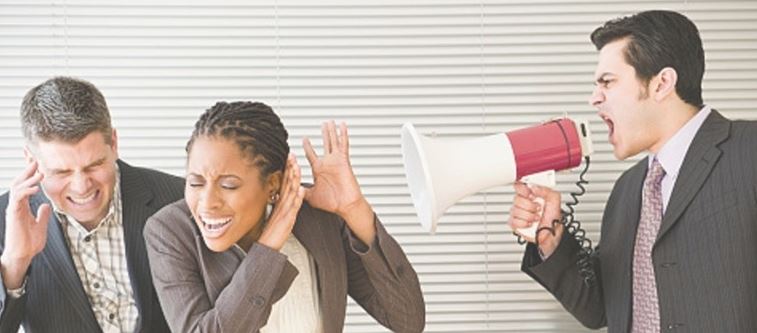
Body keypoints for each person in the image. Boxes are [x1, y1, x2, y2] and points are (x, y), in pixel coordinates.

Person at [508, 10, 757, 332]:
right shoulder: (629, 188)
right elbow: (599, 310)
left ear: (661, 83)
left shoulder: (749, 150)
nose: (594, 98)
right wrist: (551, 238)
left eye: (608, 82)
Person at [144, 101, 425, 333]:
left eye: (228, 185)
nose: (207, 203)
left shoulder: (318, 218)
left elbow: (407, 320)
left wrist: (354, 208)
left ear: (272, 185)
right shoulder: (170, 232)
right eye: (195, 183)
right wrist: (268, 248)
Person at [0, 77, 183, 332]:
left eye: (94, 165)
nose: (81, 186)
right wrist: (14, 264)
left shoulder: (178, 199)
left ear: (114, 143)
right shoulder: (4, 220)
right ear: (31, 159)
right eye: (61, 172)